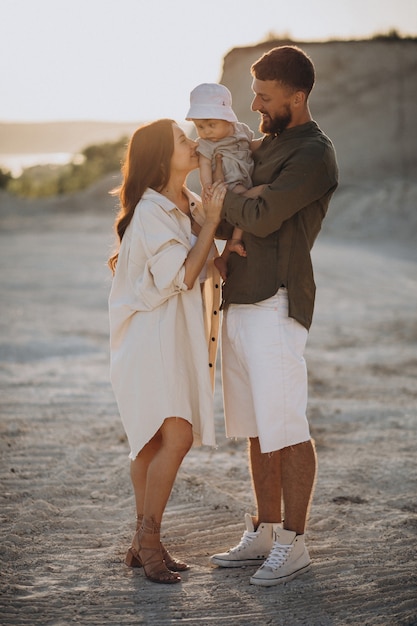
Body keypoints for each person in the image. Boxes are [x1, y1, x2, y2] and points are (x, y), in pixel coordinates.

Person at [209, 45, 339, 586]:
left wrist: (228, 196)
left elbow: (258, 217)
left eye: (265, 95)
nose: (255, 104)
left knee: (285, 425)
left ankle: (295, 540)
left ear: (297, 96)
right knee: (258, 429)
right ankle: (263, 529)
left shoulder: (313, 154)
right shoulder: (267, 145)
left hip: (278, 301)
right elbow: (225, 218)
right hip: (239, 300)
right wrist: (233, 196)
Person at [108, 119, 226, 584]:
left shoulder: (188, 202)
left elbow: (207, 262)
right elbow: (182, 275)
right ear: (161, 158)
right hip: (150, 336)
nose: (193, 142)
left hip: (173, 333)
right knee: (175, 437)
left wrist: (219, 239)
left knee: (155, 440)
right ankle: (150, 540)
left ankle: (142, 544)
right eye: (182, 140)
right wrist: (213, 224)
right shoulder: (152, 211)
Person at [186, 83, 261, 280]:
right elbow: (204, 166)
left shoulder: (241, 130)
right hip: (227, 185)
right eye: (200, 127)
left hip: (244, 180)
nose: (207, 131)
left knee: (247, 208)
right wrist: (208, 186)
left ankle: (228, 251)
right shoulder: (207, 145)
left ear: (228, 119)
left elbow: (253, 146)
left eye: (212, 125)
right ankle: (234, 242)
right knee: (252, 197)